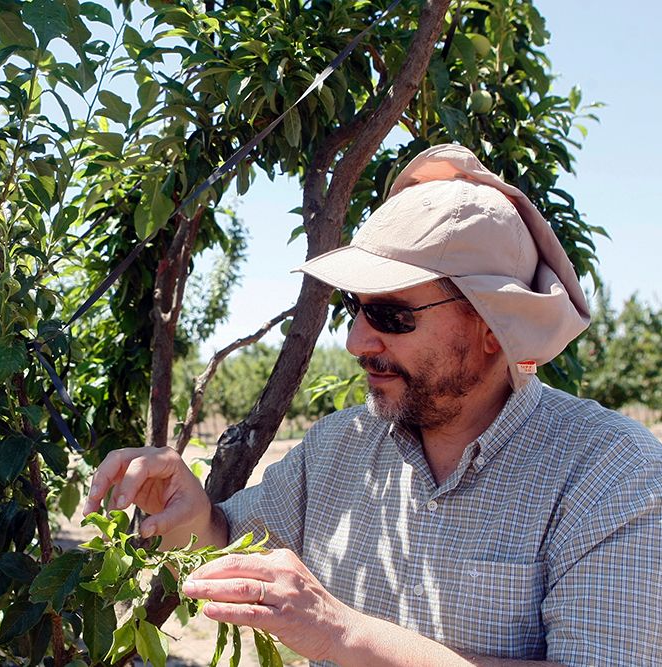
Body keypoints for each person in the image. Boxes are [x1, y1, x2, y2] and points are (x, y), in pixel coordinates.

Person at [82, 144, 661, 666]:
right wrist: (194, 517)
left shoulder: (609, 475)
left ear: (492, 324)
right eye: (355, 310)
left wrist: (344, 635)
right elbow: (232, 539)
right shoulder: (338, 448)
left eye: (391, 315)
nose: (357, 341)